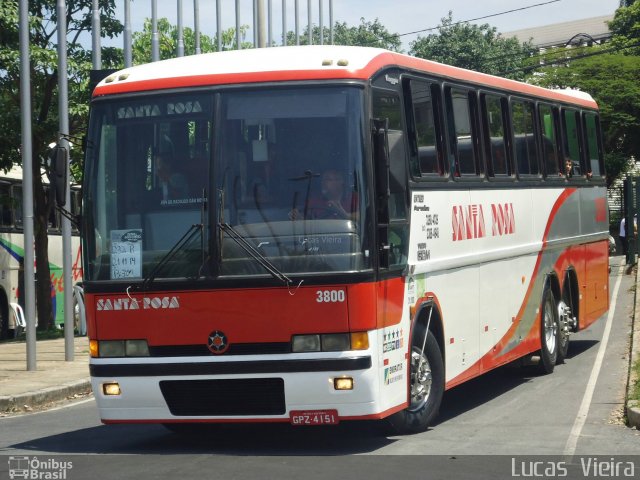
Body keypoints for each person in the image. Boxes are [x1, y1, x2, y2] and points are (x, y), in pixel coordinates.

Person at [290, 169, 357, 220]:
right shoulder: (314, 201)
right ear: (322, 183)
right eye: (329, 179)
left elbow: (364, 216)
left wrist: (344, 214)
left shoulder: (353, 198)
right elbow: (308, 224)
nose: (333, 182)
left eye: (337, 179)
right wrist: (299, 218)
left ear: (343, 182)